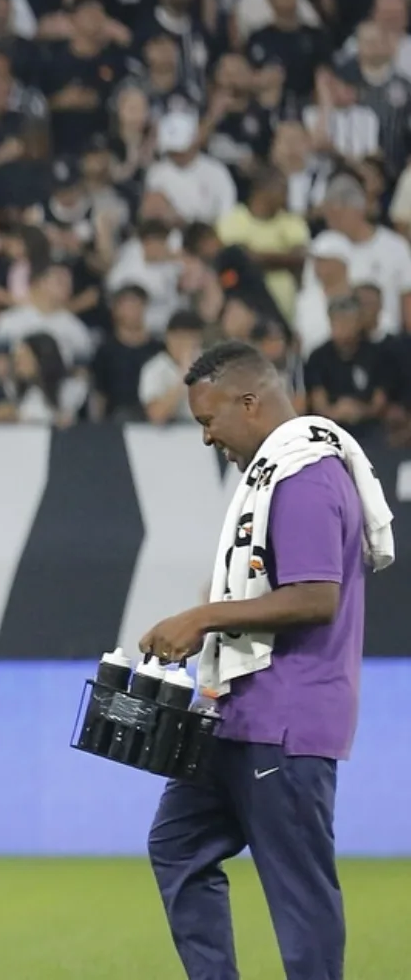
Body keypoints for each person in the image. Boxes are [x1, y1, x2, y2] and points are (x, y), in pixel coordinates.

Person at [139, 340, 385, 980]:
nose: (206, 439)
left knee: (298, 894)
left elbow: (314, 597)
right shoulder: (275, 473)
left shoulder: (304, 476)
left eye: (208, 420)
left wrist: (204, 617)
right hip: (239, 713)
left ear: (249, 403)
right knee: (177, 845)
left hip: (286, 719)